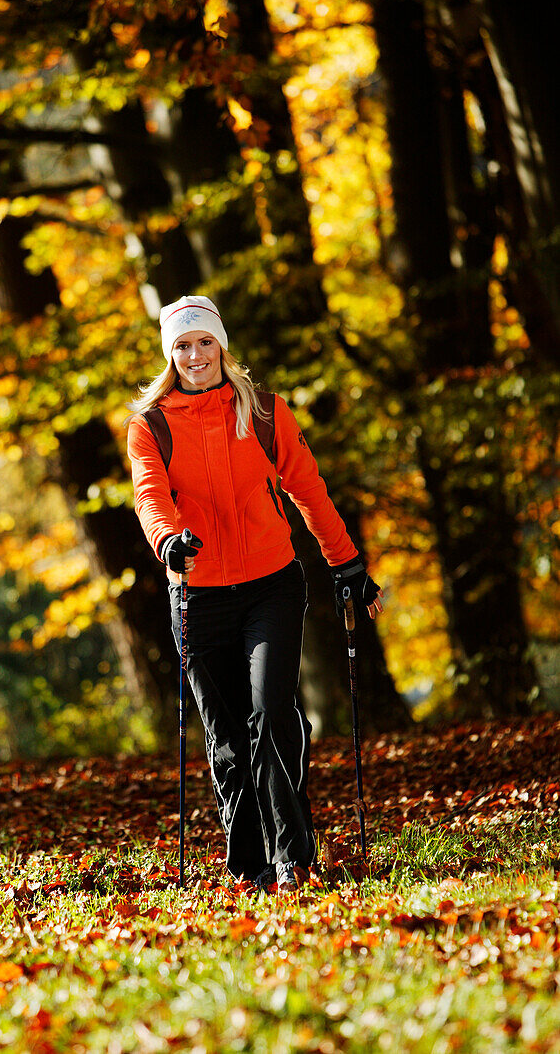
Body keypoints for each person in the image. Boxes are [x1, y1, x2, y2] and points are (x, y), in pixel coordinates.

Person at [127, 295, 383, 893]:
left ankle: (294, 858)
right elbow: (149, 496)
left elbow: (308, 488)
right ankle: (248, 865)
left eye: (204, 342)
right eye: (182, 346)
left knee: (272, 715)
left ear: (222, 346)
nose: (195, 355)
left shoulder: (265, 413)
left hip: (272, 582)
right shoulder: (151, 425)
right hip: (198, 592)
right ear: (171, 354)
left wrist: (345, 563)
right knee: (227, 739)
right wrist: (168, 542)